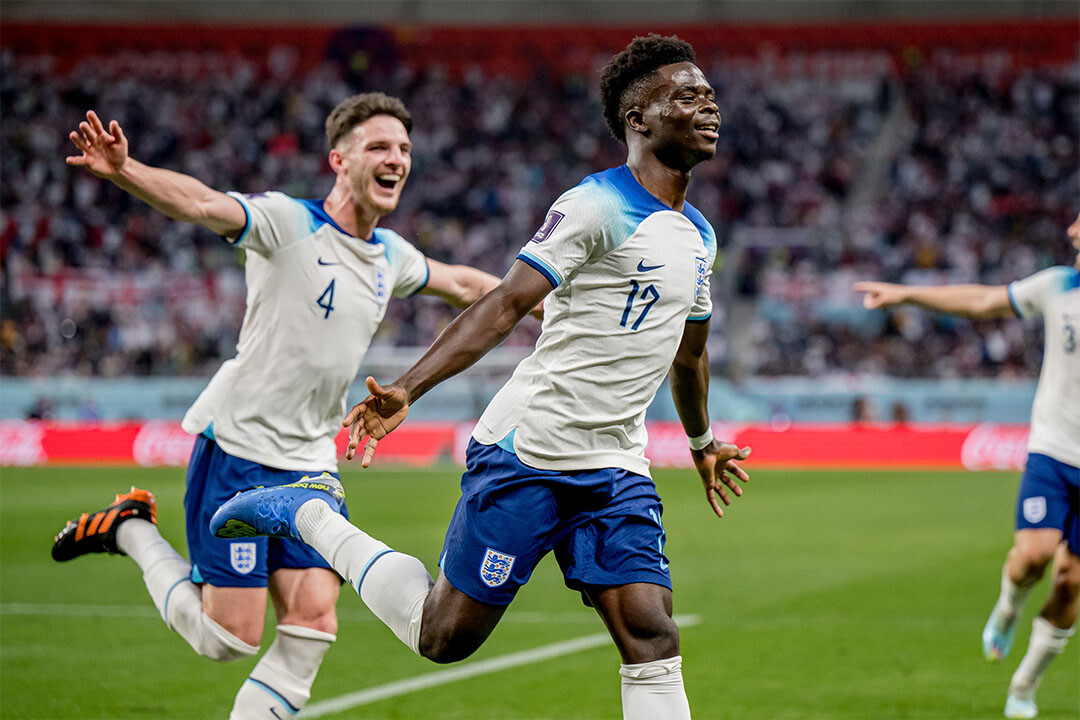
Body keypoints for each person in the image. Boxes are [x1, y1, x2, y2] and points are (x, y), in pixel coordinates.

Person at [212, 35, 751, 720]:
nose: (708, 106)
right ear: (637, 118)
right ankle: (310, 515)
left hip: (616, 465)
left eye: (709, 94)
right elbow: (505, 304)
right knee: (442, 637)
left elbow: (689, 355)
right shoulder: (595, 205)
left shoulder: (699, 235)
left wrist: (703, 442)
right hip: (530, 451)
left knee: (652, 635)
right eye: (687, 95)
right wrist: (409, 387)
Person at [51, 94, 522, 720]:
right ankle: (129, 529)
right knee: (228, 638)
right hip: (239, 448)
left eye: (405, 149)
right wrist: (126, 170)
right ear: (339, 160)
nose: (397, 159)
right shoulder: (287, 222)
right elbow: (201, 203)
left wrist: (550, 295)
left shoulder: (391, 255)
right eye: (379, 146)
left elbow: (467, 285)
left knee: (313, 625)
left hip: (310, 462)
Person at [855, 213, 1080, 720]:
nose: (1074, 226)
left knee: (1070, 583)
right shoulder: (1058, 286)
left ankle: (1024, 686)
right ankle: (1008, 607)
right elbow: (982, 301)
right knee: (1034, 557)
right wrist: (907, 295)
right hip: (1053, 450)